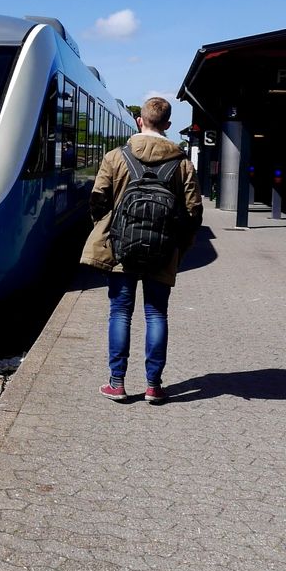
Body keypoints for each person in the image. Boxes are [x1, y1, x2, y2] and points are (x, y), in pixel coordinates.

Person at [81, 97, 202, 404]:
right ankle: (153, 386)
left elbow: (97, 201)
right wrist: (176, 246)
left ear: (140, 120)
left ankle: (117, 383)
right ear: (168, 125)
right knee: (156, 314)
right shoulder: (183, 164)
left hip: (122, 250)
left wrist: (111, 232)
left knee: (120, 313)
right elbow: (194, 213)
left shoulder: (115, 157)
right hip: (162, 251)